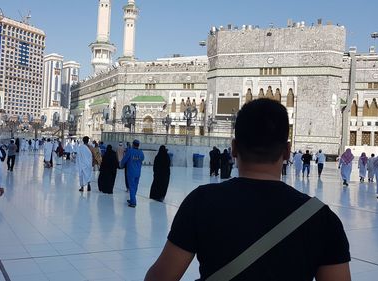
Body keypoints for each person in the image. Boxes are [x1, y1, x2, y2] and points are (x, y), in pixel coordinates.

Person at [144, 99, 351, 281]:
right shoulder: (321, 218)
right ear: (287, 152)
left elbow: (161, 277)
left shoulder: (201, 203)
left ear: (233, 148)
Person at [120, 139, 144, 207]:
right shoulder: (141, 152)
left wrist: (121, 165)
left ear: (133, 144)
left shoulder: (130, 151)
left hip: (131, 172)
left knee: (131, 187)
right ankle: (132, 198)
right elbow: (142, 159)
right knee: (135, 186)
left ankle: (133, 202)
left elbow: (124, 159)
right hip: (138, 172)